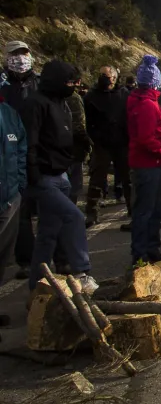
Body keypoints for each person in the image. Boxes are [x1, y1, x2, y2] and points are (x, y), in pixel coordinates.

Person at [23, 61, 97, 293]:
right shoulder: (35, 104)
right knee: (74, 217)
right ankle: (82, 272)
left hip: (61, 174)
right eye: (69, 82)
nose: (73, 86)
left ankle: (37, 287)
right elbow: (30, 141)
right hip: (43, 177)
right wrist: (33, 172)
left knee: (47, 235)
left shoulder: (62, 103)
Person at [127, 56, 161, 264]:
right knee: (146, 210)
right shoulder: (147, 104)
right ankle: (141, 251)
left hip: (148, 163)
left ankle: (150, 247)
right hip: (149, 164)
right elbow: (147, 138)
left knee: (153, 209)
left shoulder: (140, 100)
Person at [1, 40, 38, 279]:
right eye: (15, 54)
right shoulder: (3, 87)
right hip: (9, 151)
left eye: (23, 54)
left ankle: (42, 257)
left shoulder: (39, 83)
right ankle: (25, 259)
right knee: (19, 211)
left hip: (37, 151)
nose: (20, 59)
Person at [83, 66, 130, 226]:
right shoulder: (91, 96)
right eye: (101, 75)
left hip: (122, 143)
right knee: (97, 179)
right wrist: (95, 138)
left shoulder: (124, 94)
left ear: (115, 78)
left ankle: (133, 210)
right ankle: (92, 212)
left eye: (107, 76)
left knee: (127, 179)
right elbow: (88, 122)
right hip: (101, 144)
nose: (104, 78)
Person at [0, 94, 26, 322]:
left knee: (3, 255)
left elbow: (20, 148)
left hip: (9, 195)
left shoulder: (8, 113)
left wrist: (19, 182)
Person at [65, 78, 91, 206]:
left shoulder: (45, 96)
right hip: (74, 146)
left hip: (59, 148)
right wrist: (87, 144)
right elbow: (79, 124)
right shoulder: (73, 98)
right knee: (74, 184)